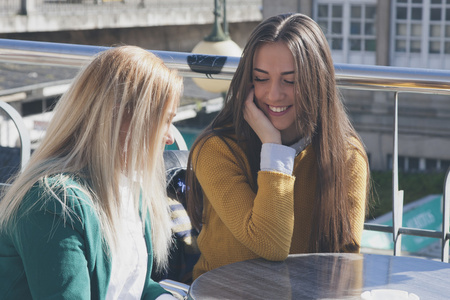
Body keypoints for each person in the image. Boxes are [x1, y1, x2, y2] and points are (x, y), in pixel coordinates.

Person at [186, 13, 370, 280]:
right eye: (261, 78)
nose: (273, 94)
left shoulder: (346, 156)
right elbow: (270, 244)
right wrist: (273, 147)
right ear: (247, 82)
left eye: (290, 80)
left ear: (316, 81)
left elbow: (346, 263)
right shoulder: (217, 149)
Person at [0, 46, 183, 299]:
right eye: (165, 120)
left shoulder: (132, 191)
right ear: (119, 118)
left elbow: (133, 286)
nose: (171, 137)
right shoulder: (53, 204)